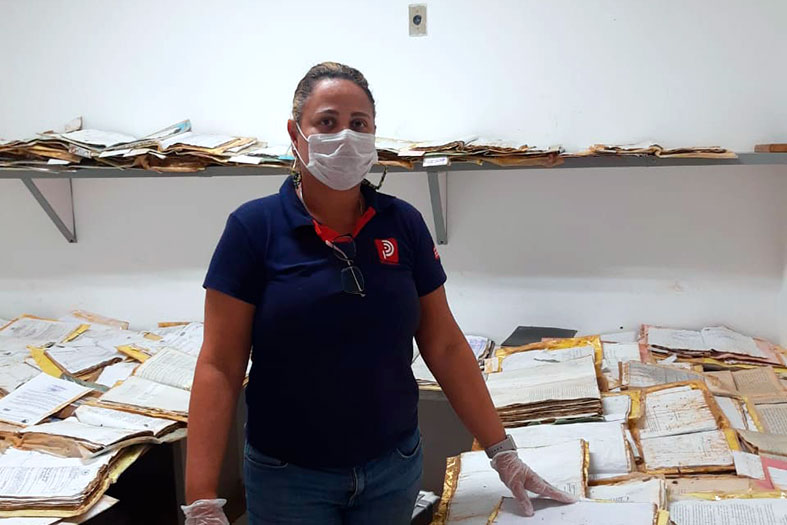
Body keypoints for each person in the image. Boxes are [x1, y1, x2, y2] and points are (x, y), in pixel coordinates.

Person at [182, 62, 576, 525]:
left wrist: (502, 451)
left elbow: (445, 344)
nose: (345, 137)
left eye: (358, 124)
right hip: (289, 479)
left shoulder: (402, 222)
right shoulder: (253, 229)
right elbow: (219, 366)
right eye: (327, 122)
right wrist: (202, 500)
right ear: (295, 133)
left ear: (373, 134)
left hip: (393, 470)